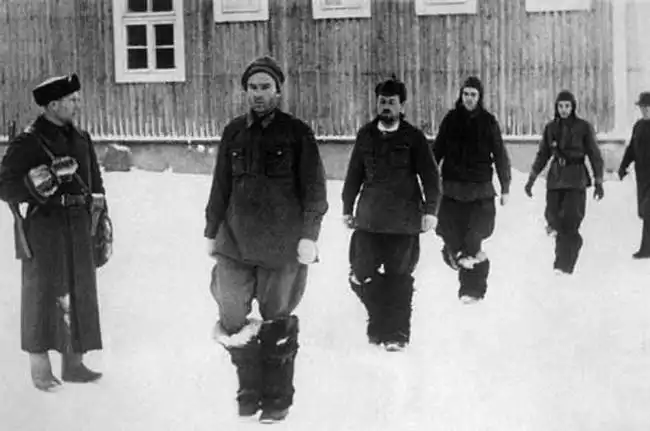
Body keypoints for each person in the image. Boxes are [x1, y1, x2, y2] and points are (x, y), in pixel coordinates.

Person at [204, 56, 328, 423]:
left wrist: (309, 236)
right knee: (231, 315)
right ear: (245, 91)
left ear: (278, 91)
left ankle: (276, 399)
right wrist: (211, 230)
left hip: (281, 244)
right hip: (234, 242)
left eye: (265, 87)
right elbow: (220, 186)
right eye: (253, 88)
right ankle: (249, 389)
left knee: (276, 320)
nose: (258, 94)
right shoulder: (233, 133)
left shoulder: (297, 133)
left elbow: (315, 190)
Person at [0, 74, 105, 391]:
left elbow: (96, 182)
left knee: (78, 290)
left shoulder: (82, 138)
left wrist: (101, 221)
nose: (78, 104)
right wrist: (45, 178)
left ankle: (74, 365)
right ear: (53, 105)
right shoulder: (28, 142)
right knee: (42, 295)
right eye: (72, 100)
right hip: (45, 228)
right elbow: (5, 186)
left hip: (79, 224)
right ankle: (40, 372)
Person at [342, 75, 441, 352]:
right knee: (361, 273)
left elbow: (431, 177)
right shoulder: (366, 135)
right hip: (370, 219)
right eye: (382, 101)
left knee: (399, 279)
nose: (386, 106)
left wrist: (431, 211)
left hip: (403, 221)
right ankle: (379, 323)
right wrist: (347, 207)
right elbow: (354, 174)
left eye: (392, 102)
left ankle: (396, 334)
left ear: (402, 106)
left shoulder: (413, 137)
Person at [433, 76, 512, 304]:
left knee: (473, 238)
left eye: (473, 95)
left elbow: (500, 154)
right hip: (453, 190)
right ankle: (464, 278)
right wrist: (426, 178)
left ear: (480, 97)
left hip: (480, 191)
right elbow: (437, 150)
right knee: (455, 237)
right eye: (466, 94)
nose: (469, 98)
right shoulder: (451, 120)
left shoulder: (488, 122)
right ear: (461, 95)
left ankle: (474, 291)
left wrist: (505, 186)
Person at [524, 90, 604, 274]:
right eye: (560, 106)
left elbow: (594, 154)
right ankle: (566, 255)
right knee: (553, 217)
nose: (564, 110)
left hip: (575, 179)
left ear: (573, 107)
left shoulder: (583, 127)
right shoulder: (551, 128)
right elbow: (543, 154)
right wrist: (531, 178)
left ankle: (563, 265)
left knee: (570, 221)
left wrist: (598, 181)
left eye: (567, 106)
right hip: (556, 179)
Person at [618, 91, 650, 259]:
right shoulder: (638, 126)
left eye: (648, 107)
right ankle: (646, 248)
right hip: (642, 177)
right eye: (642, 107)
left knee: (648, 210)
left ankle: (646, 249)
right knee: (645, 212)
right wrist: (623, 166)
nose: (645, 110)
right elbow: (632, 148)